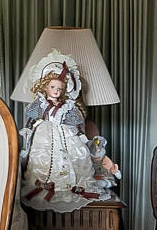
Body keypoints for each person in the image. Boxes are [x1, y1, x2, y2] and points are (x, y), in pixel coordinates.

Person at [17, 49, 117, 210]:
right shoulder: (40, 103)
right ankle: (45, 182)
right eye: (53, 87)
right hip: (45, 133)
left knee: (75, 154)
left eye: (59, 88)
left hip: (65, 133)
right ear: (45, 87)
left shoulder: (67, 106)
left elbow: (76, 122)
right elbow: (31, 116)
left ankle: (72, 183)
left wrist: (80, 135)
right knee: (43, 157)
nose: (56, 91)